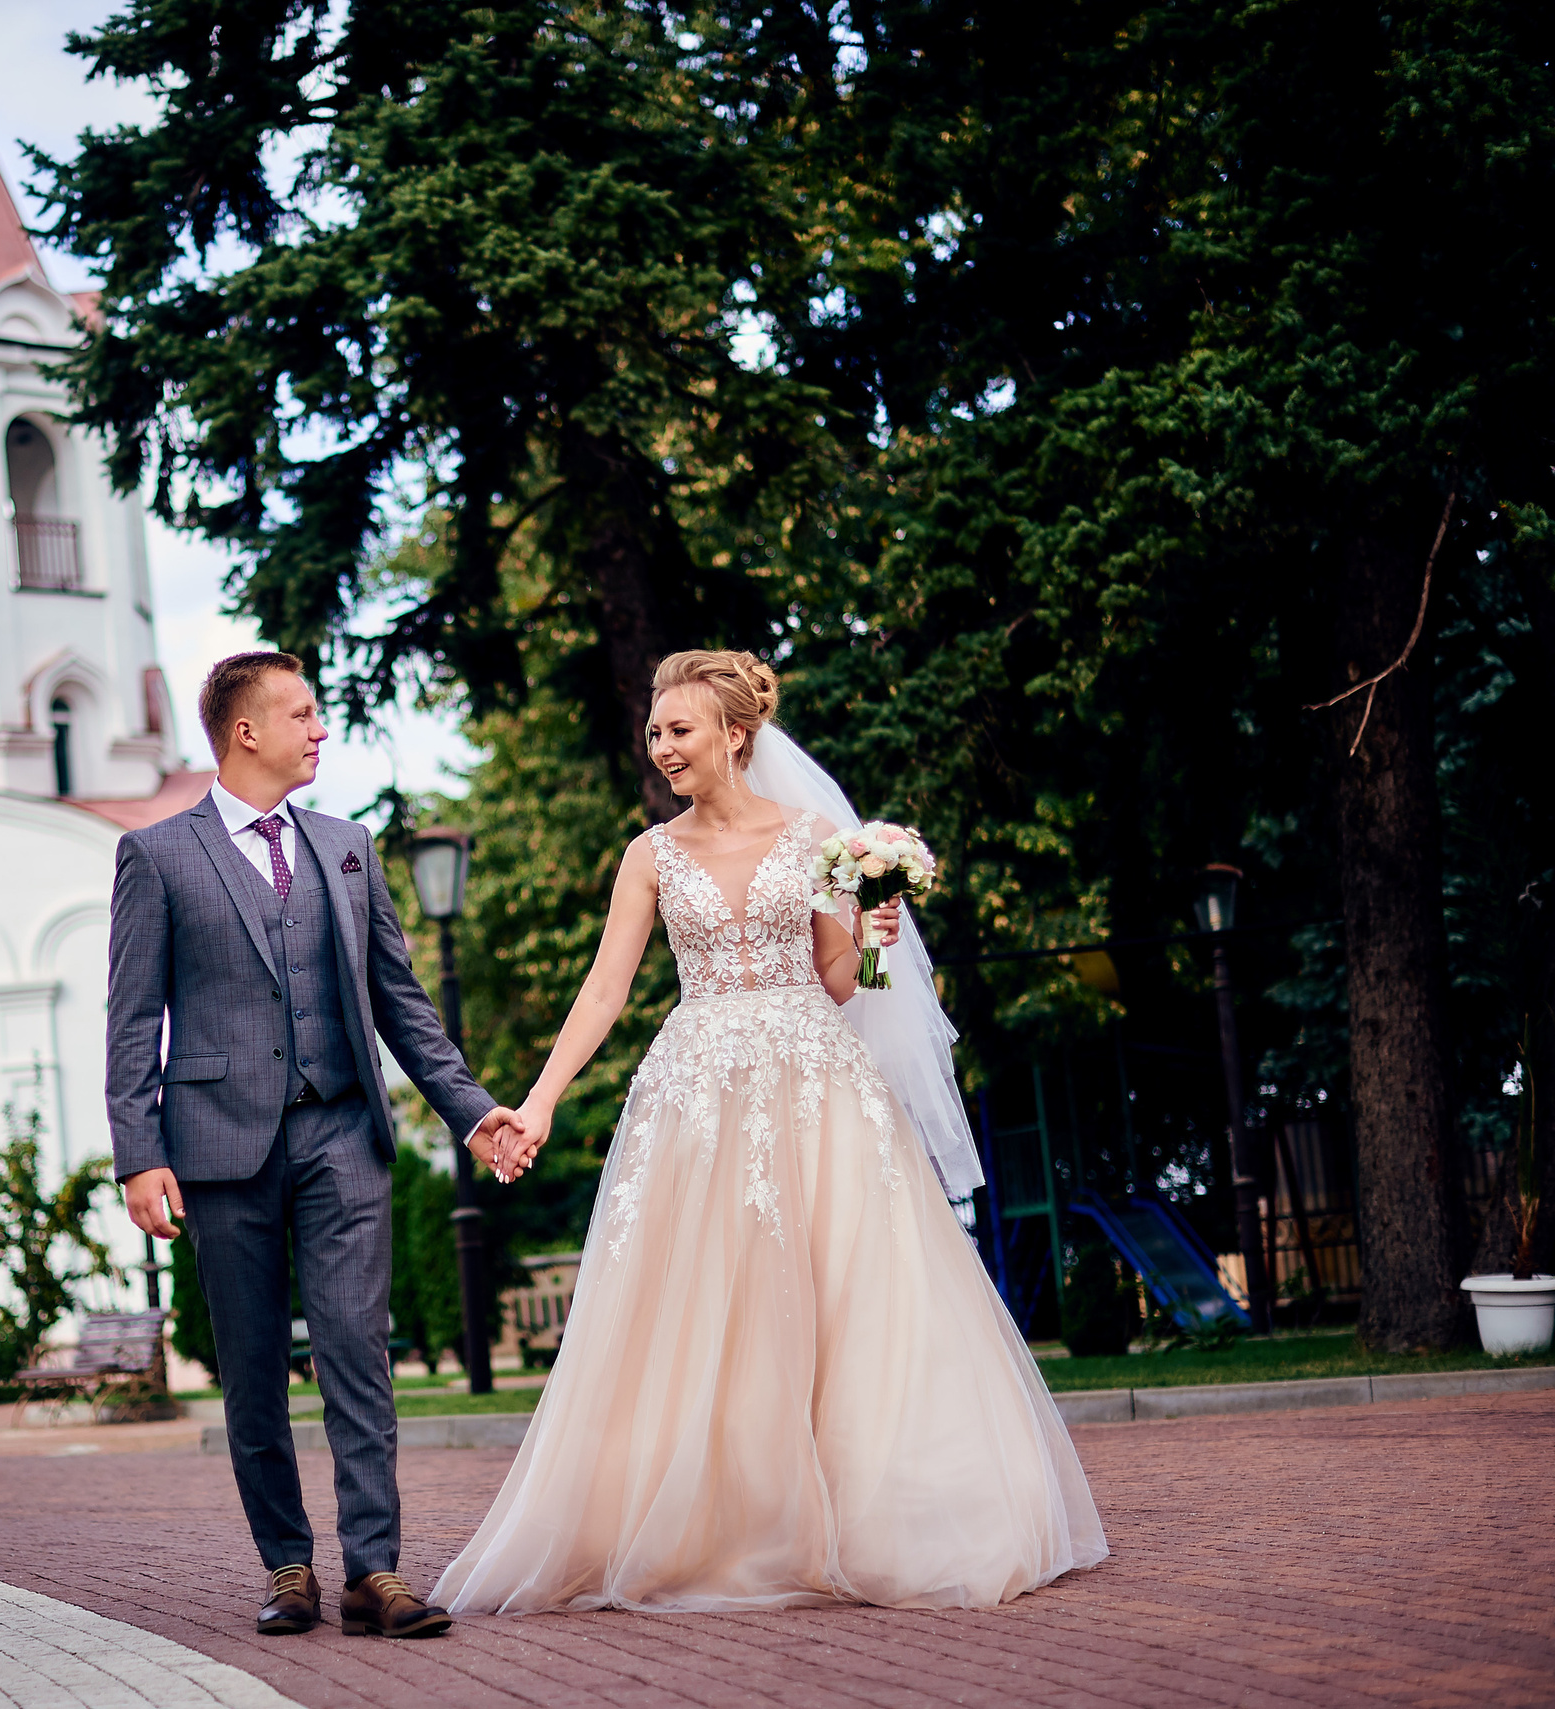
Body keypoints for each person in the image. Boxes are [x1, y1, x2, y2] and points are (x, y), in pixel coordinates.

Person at [433, 650, 1109, 1613]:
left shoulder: (816, 839)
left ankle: (869, 1517)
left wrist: (880, 930)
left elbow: (849, 983)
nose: (662, 746)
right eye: (655, 731)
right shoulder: (650, 855)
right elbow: (606, 987)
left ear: (734, 735)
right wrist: (536, 1100)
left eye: (680, 729)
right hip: (698, 1095)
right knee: (712, 1301)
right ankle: (729, 1520)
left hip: (816, 1087)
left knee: (845, 1301)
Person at [107, 650, 526, 1639]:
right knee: (251, 1366)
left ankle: (373, 1570)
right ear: (244, 730)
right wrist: (137, 1151)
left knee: (357, 1354)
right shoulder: (158, 855)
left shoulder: (347, 846)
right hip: (215, 1145)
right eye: (301, 712)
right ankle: (287, 1563)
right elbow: (131, 1020)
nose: (319, 727)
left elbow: (401, 1004)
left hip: (342, 1128)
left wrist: (471, 1107)